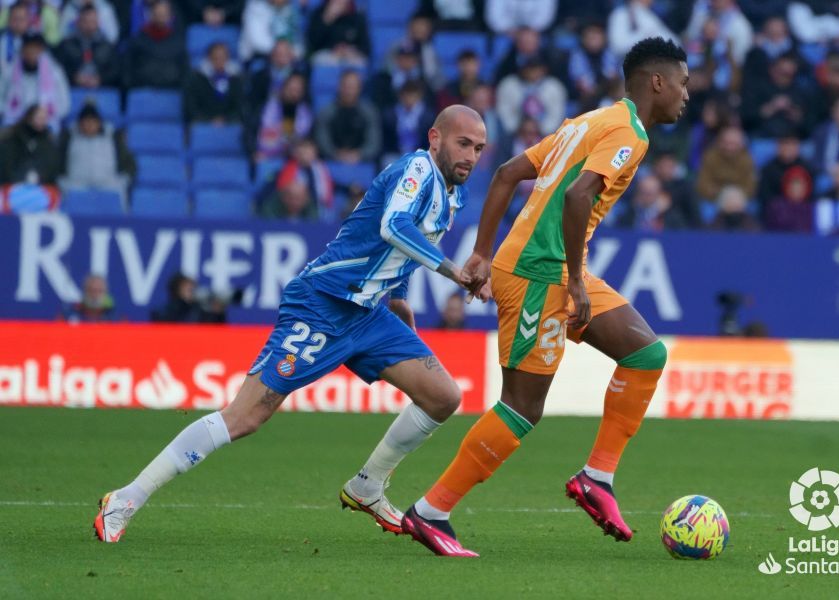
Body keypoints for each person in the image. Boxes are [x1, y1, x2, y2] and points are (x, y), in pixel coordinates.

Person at [93, 105, 489, 544]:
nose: (470, 155)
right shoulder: (415, 168)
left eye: (478, 148)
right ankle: (126, 498)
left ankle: (367, 487)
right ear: (435, 138)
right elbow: (394, 225)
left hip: (369, 312)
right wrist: (454, 272)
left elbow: (405, 250)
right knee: (244, 417)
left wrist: (399, 302)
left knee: (442, 396)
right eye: (463, 143)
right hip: (323, 303)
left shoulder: (455, 195)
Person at [401, 37, 689, 557]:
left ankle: (596, 478)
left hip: (555, 269)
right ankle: (430, 511)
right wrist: (572, 279)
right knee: (522, 408)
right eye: (684, 85)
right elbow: (580, 193)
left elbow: (509, 173)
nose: (687, 96)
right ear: (657, 82)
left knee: (646, 353)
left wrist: (483, 254)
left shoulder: (589, 121)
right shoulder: (626, 132)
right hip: (541, 274)